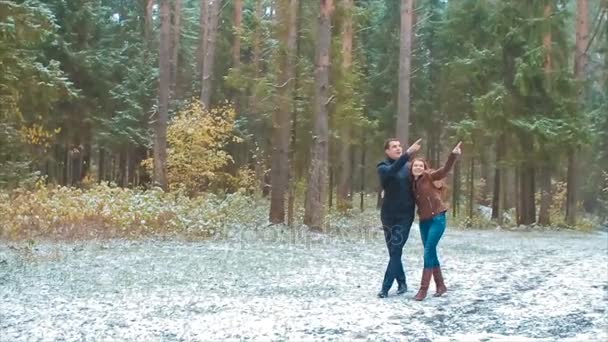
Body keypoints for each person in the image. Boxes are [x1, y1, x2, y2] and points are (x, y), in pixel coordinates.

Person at [410, 141, 462, 301]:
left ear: (424, 168)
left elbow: (445, 170)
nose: (417, 168)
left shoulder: (430, 176)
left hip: (437, 218)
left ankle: (423, 289)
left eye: (420, 166)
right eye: (415, 166)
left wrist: (453, 155)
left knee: (428, 250)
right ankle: (441, 285)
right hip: (424, 220)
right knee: (430, 251)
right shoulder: (411, 183)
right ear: (411, 169)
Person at [376, 138, 422, 298]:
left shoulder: (409, 168)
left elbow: (425, 180)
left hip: (405, 216)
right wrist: (408, 154)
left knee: (396, 249)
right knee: (394, 252)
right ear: (387, 151)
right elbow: (392, 172)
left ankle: (385, 288)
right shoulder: (383, 167)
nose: (398, 148)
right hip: (388, 216)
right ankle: (402, 282)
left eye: (400, 146)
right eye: (394, 147)